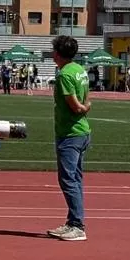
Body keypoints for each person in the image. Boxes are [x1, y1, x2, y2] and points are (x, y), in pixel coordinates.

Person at [48, 34, 91, 241]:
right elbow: (85, 100)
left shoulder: (64, 74)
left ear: (58, 53)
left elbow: (75, 106)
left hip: (70, 134)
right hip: (81, 132)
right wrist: (86, 107)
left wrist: (83, 108)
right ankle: (73, 220)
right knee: (76, 179)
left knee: (68, 180)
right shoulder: (80, 70)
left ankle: (77, 225)